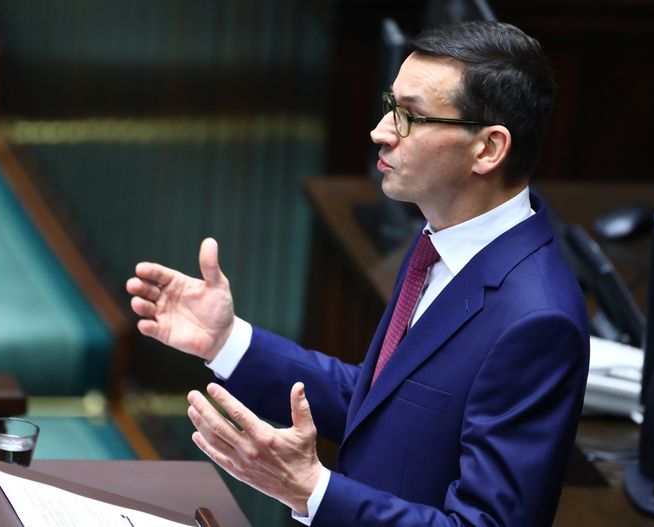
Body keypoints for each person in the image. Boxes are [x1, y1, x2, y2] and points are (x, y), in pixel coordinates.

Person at [127, 20, 589, 526]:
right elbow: (380, 402)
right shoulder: (441, 241)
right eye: (391, 106)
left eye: (409, 116)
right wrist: (227, 341)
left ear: (488, 149)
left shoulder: (538, 321)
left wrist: (314, 492)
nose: (381, 132)